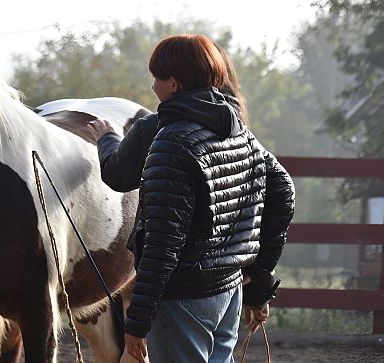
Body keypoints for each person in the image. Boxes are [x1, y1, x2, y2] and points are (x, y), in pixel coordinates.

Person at [88, 34, 294, 362]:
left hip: (183, 297)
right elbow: (283, 189)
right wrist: (260, 268)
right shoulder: (238, 130)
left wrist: (137, 321)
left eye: (157, 77)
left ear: (174, 84)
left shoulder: (170, 142)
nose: (153, 86)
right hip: (228, 293)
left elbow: (161, 242)